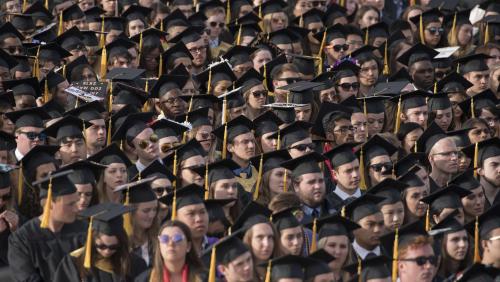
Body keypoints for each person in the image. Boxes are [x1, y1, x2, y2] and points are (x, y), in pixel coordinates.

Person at [8, 170, 86, 282]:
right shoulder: (22, 240)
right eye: (70, 204)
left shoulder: (82, 229)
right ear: (50, 204)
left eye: (76, 202)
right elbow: (27, 278)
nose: (77, 208)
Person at [53, 203, 147, 281]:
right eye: (102, 246)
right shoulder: (74, 262)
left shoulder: (134, 264)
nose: (107, 251)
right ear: (92, 240)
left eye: (113, 247)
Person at [135, 220, 206, 281]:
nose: (171, 243)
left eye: (177, 238)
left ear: (188, 246)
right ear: (159, 246)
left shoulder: (206, 278)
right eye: (164, 239)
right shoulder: (145, 279)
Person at [282, 152, 336, 222]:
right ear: (296, 186)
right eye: (311, 182)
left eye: (321, 181)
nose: (318, 186)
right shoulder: (287, 216)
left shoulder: (337, 210)